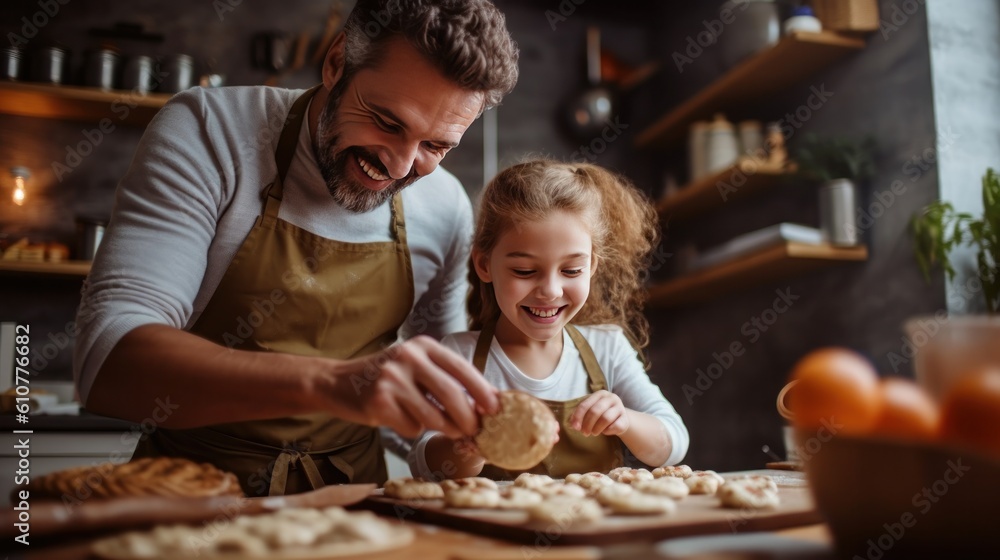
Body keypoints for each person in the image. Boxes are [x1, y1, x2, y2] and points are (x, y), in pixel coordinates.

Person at [72, 0, 519, 497]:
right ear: (336, 63)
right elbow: (109, 362)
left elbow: (428, 406)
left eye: (436, 146)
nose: (399, 167)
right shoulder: (211, 131)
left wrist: (459, 443)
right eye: (387, 123)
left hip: (354, 516)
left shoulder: (445, 205)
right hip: (187, 500)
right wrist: (333, 385)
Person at [409, 160, 690, 481]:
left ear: (592, 265)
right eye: (525, 271)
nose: (551, 291)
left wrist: (625, 421)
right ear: (485, 265)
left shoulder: (607, 347)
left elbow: (673, 442)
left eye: (571, 270)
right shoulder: (459, 355)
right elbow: (423, 461)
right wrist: (467, 447)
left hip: (594, 526)